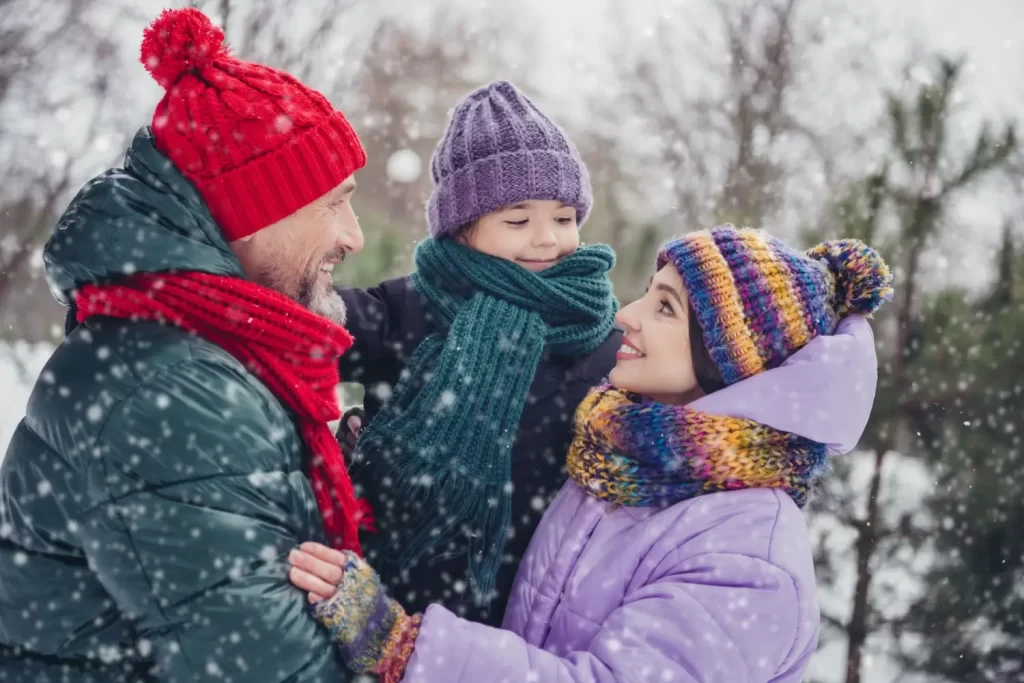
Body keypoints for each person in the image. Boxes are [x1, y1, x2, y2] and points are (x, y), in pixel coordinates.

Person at [289, 226, 893, 682]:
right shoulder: (621, 465)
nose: (626, 316)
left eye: (665, 307)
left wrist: (406, 648)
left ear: (730, 361)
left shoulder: (749, 556)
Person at [0, 8, 368, 681]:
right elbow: (264, 668)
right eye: (334, 202)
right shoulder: (174, 391)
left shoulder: (191, 349)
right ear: (255, 215)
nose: (354, 235)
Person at [335, 80, 621, 624]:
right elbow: (291, 332)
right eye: (518, 220)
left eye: (563, 218)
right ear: (462, 230)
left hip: (530, 621)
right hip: (389, 609)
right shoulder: (406, 308)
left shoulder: (602, 336)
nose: (546, 239)